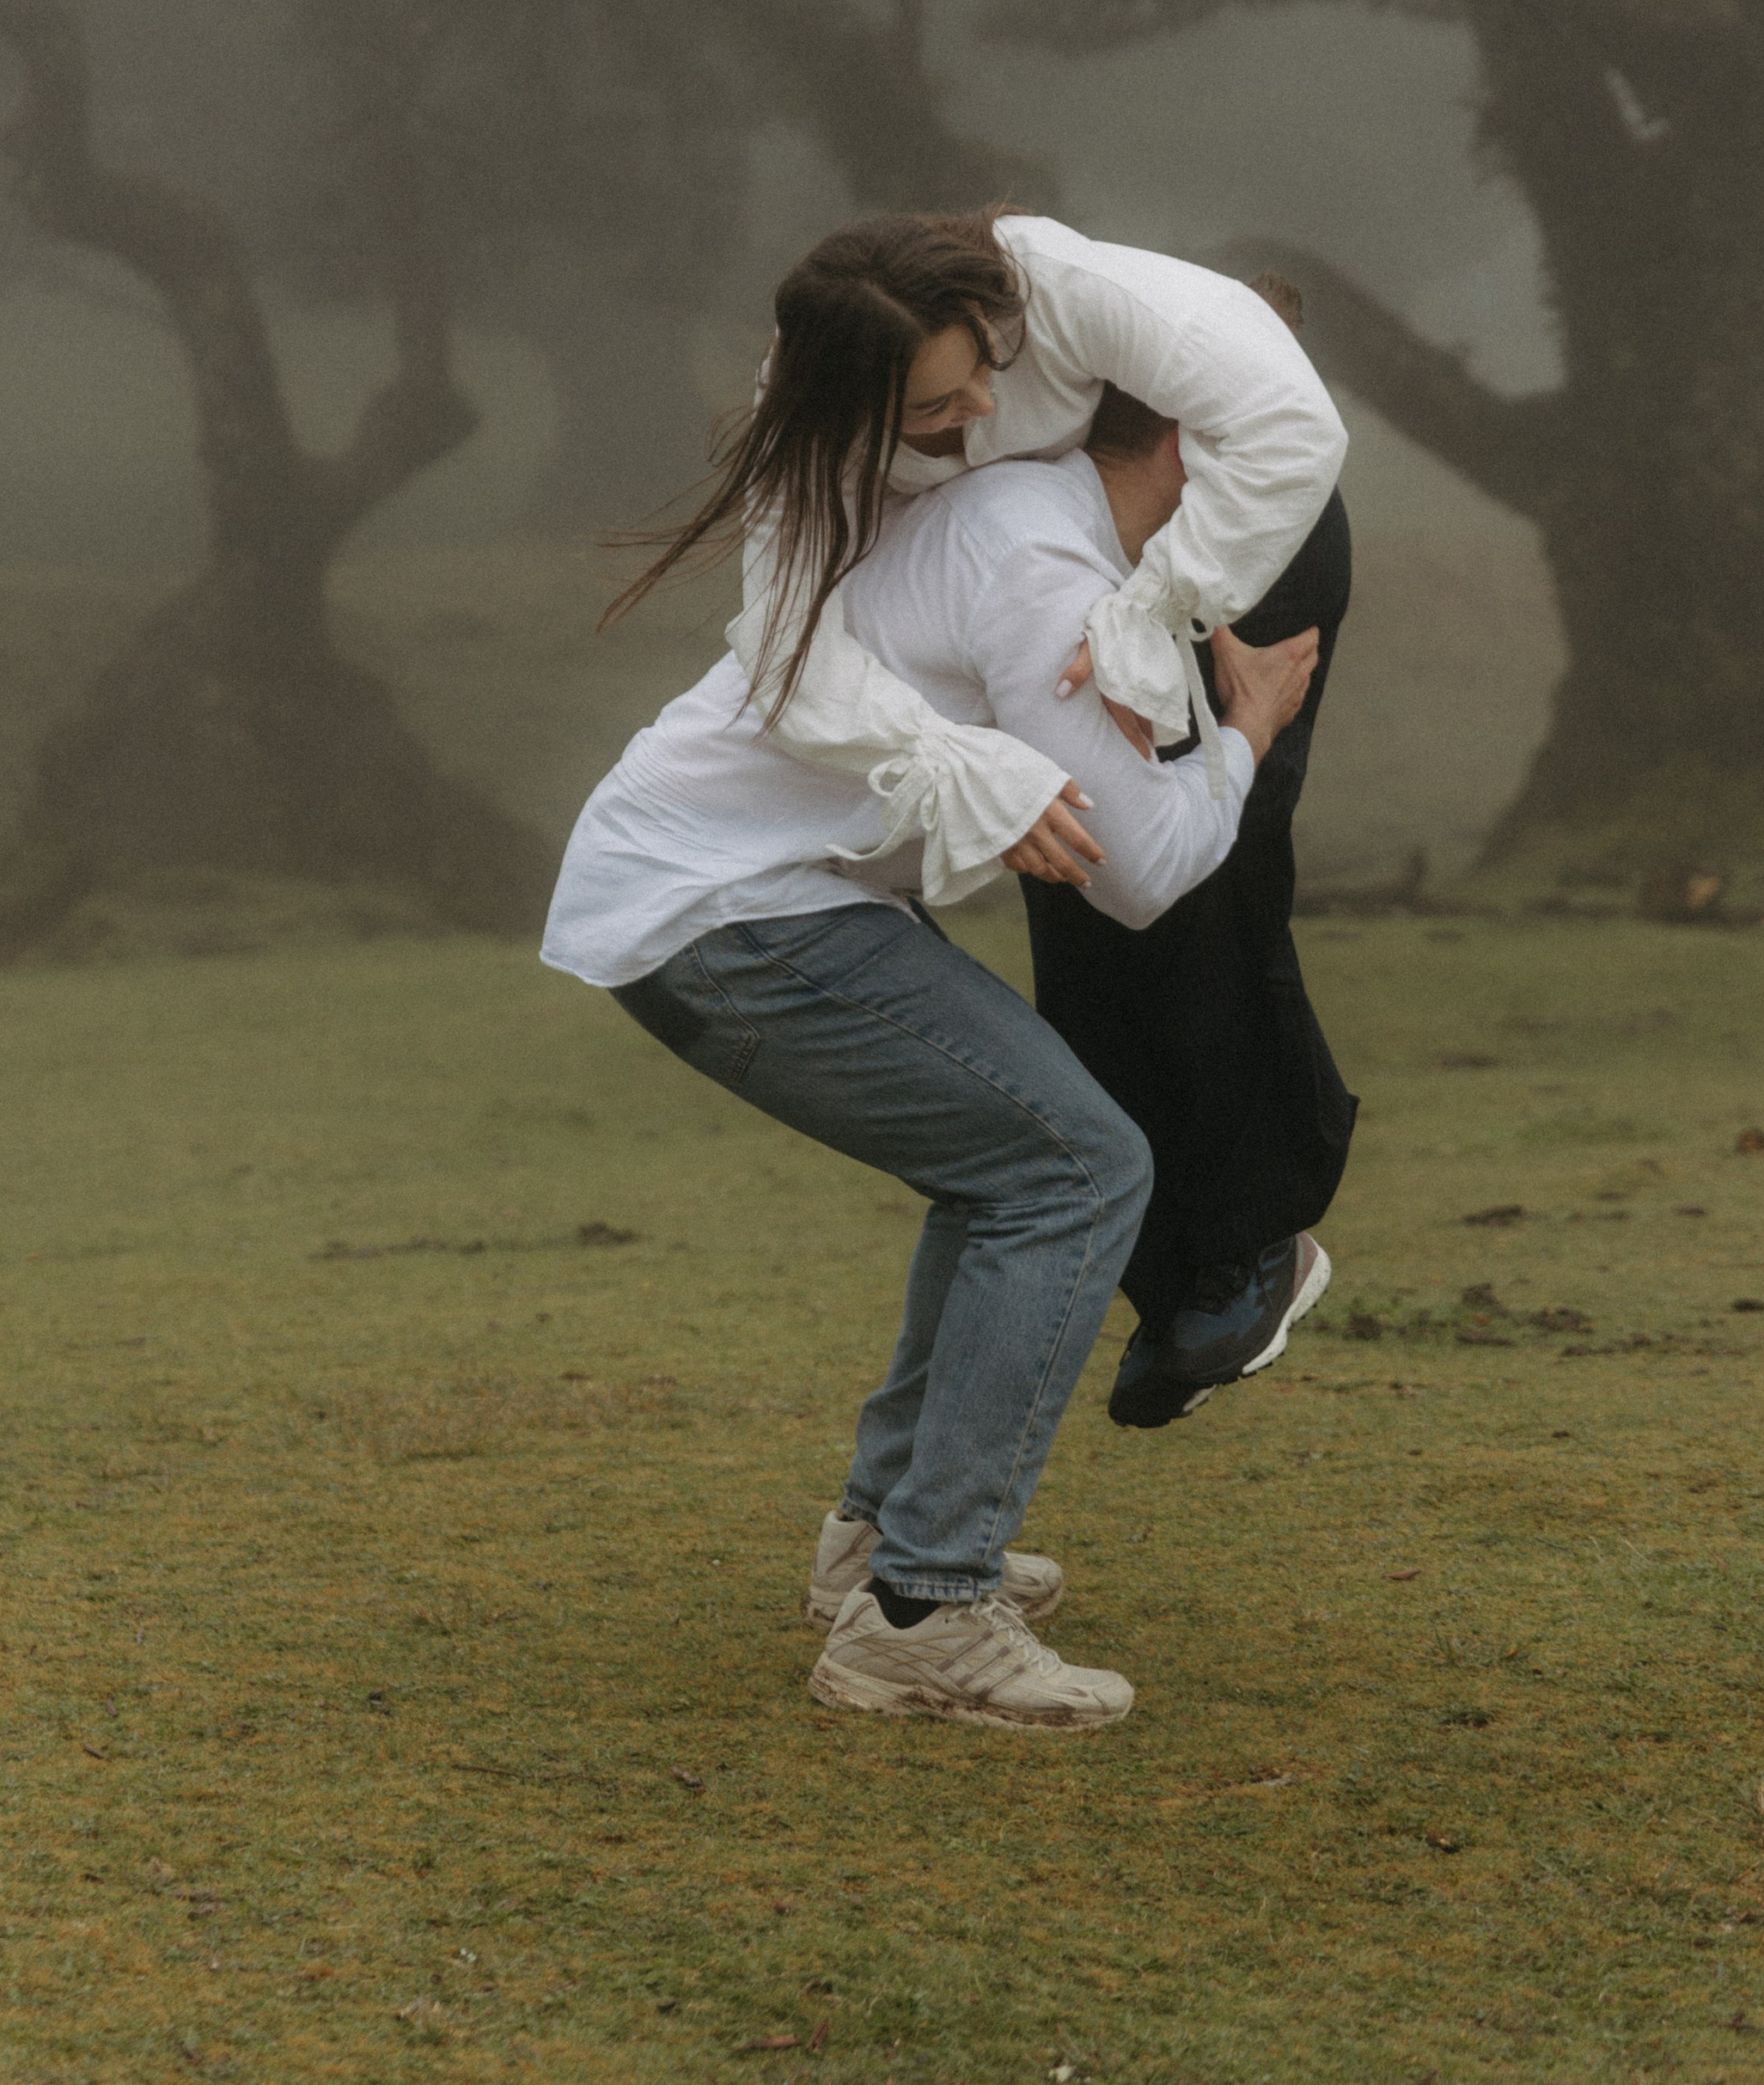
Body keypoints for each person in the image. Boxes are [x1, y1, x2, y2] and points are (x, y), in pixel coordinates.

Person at [545, 374, 1319, 1730]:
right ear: (1194, 445)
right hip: (737, 916)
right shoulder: (1041, 560)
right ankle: (922, 1613)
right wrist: (1247, 732)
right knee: (1076, 1171)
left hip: (737, 893)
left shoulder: (1024, 516)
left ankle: (881, 1546)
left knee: (1014, 1168)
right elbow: (1144, 873)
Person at [603, 205, 1348, 912]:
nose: (986, 407)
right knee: (1084, 888)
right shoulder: (811, 422)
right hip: (1047, 580)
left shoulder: (1056, 285)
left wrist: (1154, 613)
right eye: (935, 406)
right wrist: (960, 762)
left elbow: (1294, 430)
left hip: (1238, 525)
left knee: (1201, 914)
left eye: (986, 365)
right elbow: (789, 646)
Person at [1022, 280, 1356, 1428]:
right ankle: (1172, 1280)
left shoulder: (1268, 460)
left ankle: (1253, 1241)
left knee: (1210, 876)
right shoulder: (1066, 334)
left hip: (1235, 566)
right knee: (1082, 883)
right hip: (1117, 541)